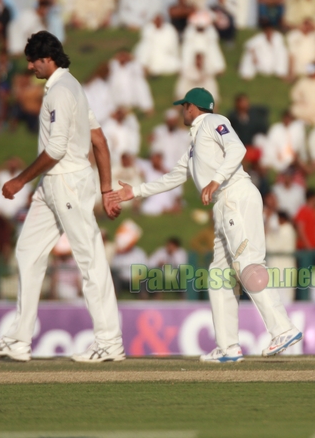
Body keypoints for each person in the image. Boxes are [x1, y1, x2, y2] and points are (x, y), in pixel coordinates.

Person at [114, 88, 302, 362]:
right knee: (219, 276)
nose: (181, 110)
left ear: (193, 107)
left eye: (184, 106)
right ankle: (228, 347)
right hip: (223, 205)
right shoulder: (193, 145)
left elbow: (238, 149)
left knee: (247, 264)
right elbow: (174, 177)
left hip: (235, 195)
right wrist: (137, 191)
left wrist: (215, 180)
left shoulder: (214, 122)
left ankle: (283, 329)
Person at [0, 31, 124, 363]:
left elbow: (56, 149)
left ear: (48, 59)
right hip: (55, 183)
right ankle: (18, 339)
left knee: (89, 259)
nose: (29, 67)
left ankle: (109, 341)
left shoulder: (60, 90)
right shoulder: (73, 87)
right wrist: (105, 189)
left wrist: (19, 181)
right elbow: (98, 140)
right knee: (27, 250)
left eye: (32, 60)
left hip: (66, 181)